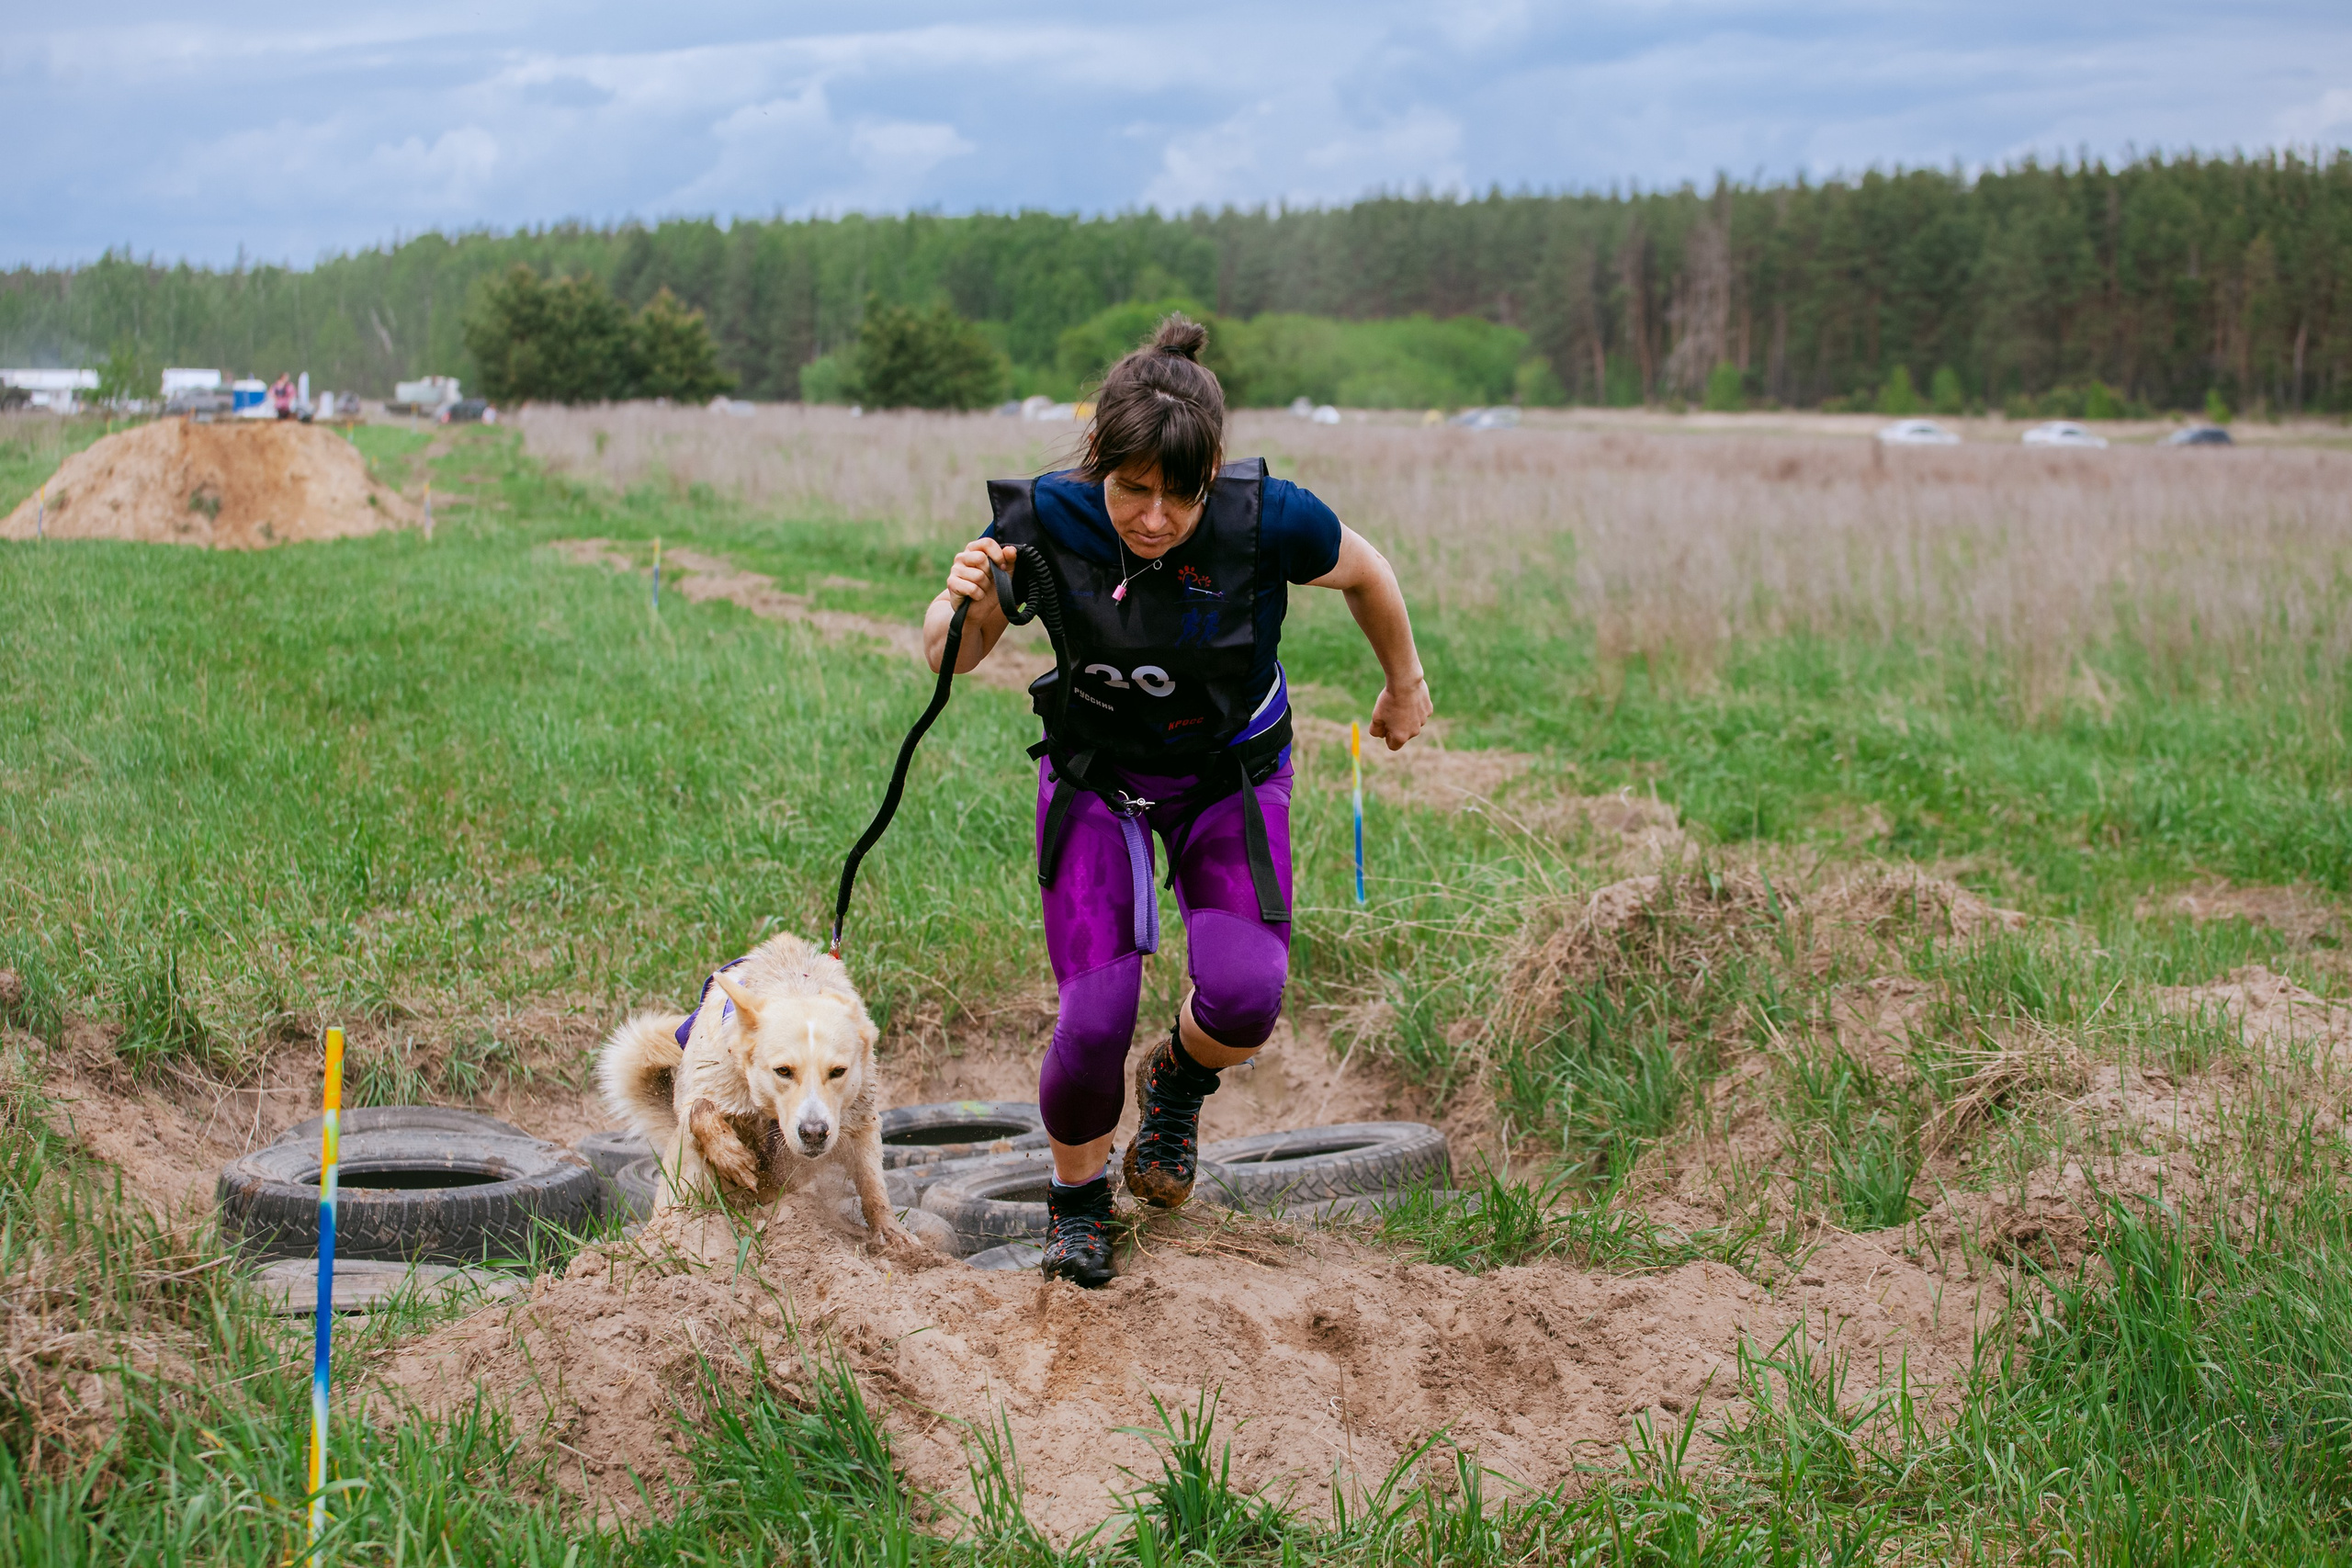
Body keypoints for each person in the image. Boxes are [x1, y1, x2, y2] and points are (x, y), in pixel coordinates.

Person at [923, 314, 1431, 1287]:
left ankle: (1178, 1081)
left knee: (1246, 997)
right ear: (1097, 466)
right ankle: (1077, 1205)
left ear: (1214, 482)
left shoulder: (1270, 517)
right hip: (1097, 777)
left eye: (1180, 497)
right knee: (1093, 1018)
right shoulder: (1042, 520)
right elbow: (952, 650)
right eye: (1132, 491)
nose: (1153, 517)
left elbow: (1368, 571)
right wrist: (954, 602)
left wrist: (1402, 684)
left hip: (1227, 775)